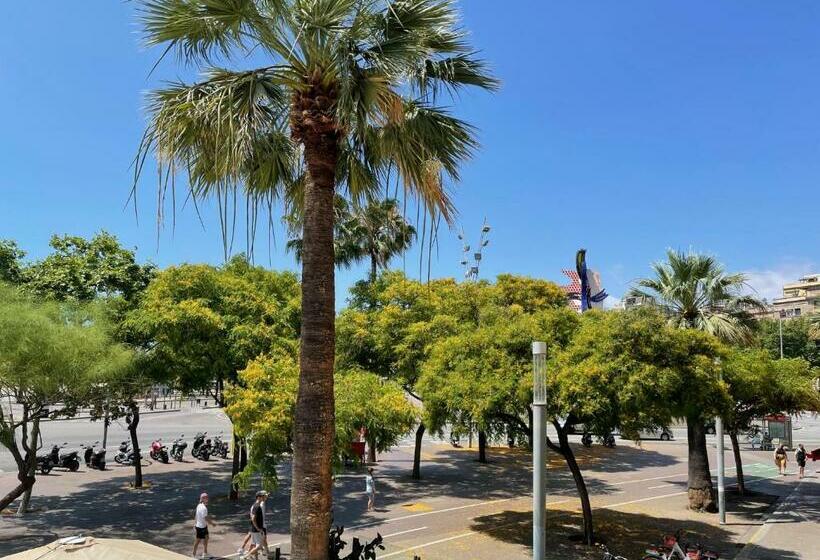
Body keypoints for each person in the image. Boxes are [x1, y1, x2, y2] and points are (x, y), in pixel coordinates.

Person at [246, 491, 268, 559]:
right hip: (256, 530)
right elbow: (253, 519)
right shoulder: (257, 506)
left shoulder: (254, 505)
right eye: (263, 496)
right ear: (259, 497)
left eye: (264, 496)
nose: (264, 497)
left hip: (253, 529)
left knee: (255, 544)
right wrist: (258, 529)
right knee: (259, 546)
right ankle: (246, 556)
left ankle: (256, 558)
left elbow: (251, 516)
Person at [193, 493, 211, 559]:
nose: (207, 498)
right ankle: (194, 555)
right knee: (197, 541)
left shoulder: (199, 505)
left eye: (207, 497)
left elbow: (196, 515)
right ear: (203, 499)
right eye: (206, 497)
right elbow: (206, 518)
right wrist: (212, 523)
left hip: (203, 526)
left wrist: (195, 523)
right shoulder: (204, 508)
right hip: (201, 527)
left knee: (206, 538)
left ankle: (205, 553)